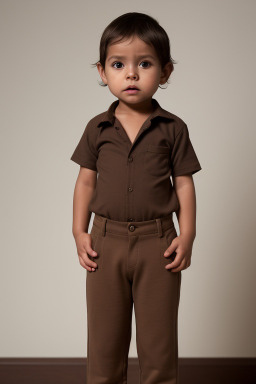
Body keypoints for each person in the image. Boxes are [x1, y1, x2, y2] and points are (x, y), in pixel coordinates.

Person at [70, 12, 202, 384]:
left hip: (158, 243)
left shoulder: (173, 128)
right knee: (104, 345)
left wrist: (187, 234)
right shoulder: (97, 128)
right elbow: (84, 183)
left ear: (164, 72)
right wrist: (79, 233)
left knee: (158, 345)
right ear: (102, 71)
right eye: (118, 64)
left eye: (144, 63)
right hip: (104, 243)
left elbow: (184, 184)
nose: (131, 74)